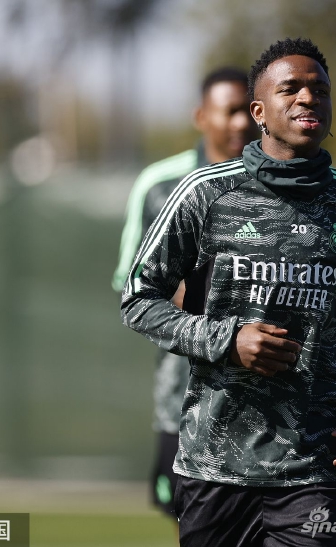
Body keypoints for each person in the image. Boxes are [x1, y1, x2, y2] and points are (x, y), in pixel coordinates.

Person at [121, 37, 336, 547]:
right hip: (214, 467)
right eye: (290, 88)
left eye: (320, 89)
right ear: (259, 111)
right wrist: (227, 340)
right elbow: (139, 300)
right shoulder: (204, 194)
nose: (308, 98)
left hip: (313, 469)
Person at [112, 66, 257, 520]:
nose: (241, 123)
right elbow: (134, 287)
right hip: (185, 399)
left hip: (268, 405)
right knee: (192, 522)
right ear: (201, 116)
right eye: (230, 111)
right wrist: (206, 309)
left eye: (248, 111)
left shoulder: (281, 183)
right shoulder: (160, 185)